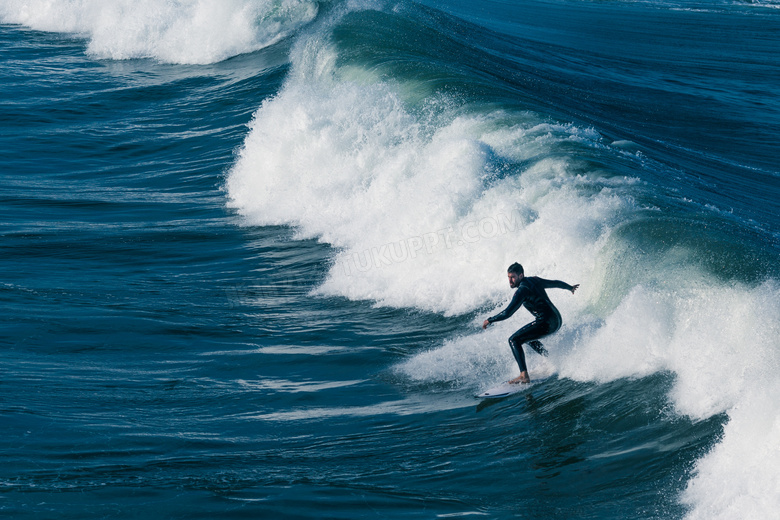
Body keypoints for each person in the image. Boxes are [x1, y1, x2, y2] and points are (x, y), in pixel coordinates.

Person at [482, 262, 578, 384]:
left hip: (547, 323)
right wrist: (569, 287)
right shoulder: (534, 280)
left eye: (513, 277)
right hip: (557, 320)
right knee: (527, 337)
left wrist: (490, 320)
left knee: (514, 340)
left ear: (521, 275)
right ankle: (551, 359)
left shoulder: (522, 290)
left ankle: (523, 375)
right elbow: (554, 283)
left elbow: (507, 313)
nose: (510, 281)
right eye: (508, 277)